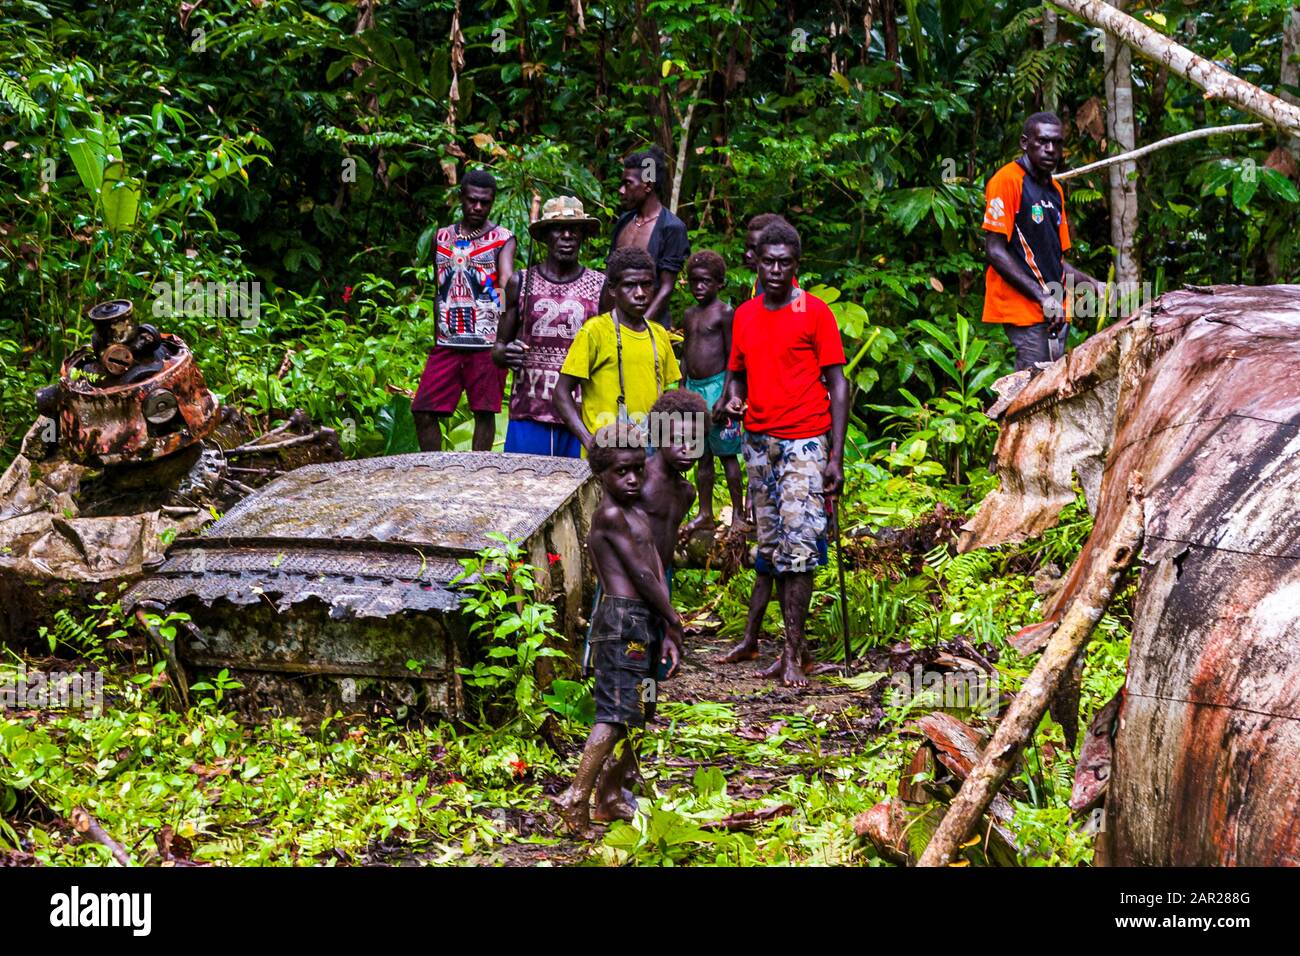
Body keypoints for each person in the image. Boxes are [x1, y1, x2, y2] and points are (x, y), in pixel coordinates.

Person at [716, 221, 848, 687]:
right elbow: (736, 374)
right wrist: (732, 398)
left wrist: (835, 457)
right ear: (756, 261)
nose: (775, 269)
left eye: (784, 262)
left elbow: (838, 383)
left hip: (805, 440)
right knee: (771, 546)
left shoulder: (815, 312)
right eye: (767, 261)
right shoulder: (746, 314)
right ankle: (790, 650)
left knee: (801, 548)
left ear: (796, 265)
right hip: (758, 441)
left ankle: (793, 653)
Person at [554, 423, 683, 838]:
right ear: (601, 475)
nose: (631, 479)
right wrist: (675, 618)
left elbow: (658, 569)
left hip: (644, 623)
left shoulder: (637, 513)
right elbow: (643, 576)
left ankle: (611, 795)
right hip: (622, 624)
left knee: (641, 710)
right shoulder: (610, 516)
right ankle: (575, 798)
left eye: (636, 470)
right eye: (620, 472)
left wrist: (666, 627)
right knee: (613, 715)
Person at [982, 111, 1100, 372]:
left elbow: (1056, 263)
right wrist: (1042, 297)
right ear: (1025, 143)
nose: (1050, 150)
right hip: (1028, 312)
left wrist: (1094, 285)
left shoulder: (1054, 190)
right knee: (1029, 397)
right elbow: (994, 249)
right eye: (1043, 142)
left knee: (1049, 395)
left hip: (1056, 313)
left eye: (1057, 143)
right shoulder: (1008, 180)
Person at [493, 196, 605, 457]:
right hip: (528, 410)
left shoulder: (601, 286)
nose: (567, 236)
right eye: (558, 229)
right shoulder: (520, 282)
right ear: (545, 236)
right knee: (522, 487)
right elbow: (498, 348)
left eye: (574, 229)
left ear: (583, 235)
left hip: (580, 415)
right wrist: (506, 352)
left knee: (574, 492)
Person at [412, 169, 515, 451]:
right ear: (461, 198)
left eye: (485, 202)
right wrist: (437, 335)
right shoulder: (442, 237)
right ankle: (433, 471)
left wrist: (503, 329)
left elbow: (507, 284)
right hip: (448, 341)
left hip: (485, 342)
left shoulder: (503, 237)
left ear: (493, 201)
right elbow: (439, 291)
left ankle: (477, 477)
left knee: (484, 411)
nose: (478, 207)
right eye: (472, 200)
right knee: (423, 410)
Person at [553, 248, 681, 453]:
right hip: (607, 453)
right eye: (630, 285)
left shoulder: (658, 335)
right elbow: (561, 393)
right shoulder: (595, 332)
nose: (640, 293)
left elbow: (669, 395)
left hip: (649, 452)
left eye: (646, 285)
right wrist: (588, 440)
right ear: (613, 289)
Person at [678, 251, 744, 535]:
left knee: (727, 455)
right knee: (701, 456)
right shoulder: (689, 314)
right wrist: (682, 388)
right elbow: (685, 354)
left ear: (719, 283)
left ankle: (738, 515)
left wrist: (726, 395)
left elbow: (733, 357)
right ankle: (705, 513)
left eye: (705, 282)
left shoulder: (725, 313)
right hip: (694, 388)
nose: (699, 287)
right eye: (694, 282)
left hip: (719, 386)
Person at [605, 146, 690, 328]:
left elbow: (666, 288)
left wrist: (640, 329)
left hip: (650, 327)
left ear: (648, 185)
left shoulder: (671, 227)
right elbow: (610, 276)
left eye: (627, 184)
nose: (621, 191)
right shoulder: (624, 221)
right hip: (615, 325)